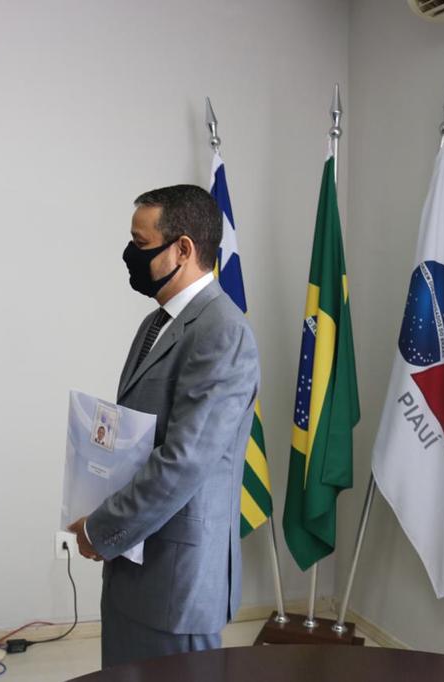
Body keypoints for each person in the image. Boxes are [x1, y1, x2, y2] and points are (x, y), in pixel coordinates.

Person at [67, 184, 260, 668]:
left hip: (176, 580)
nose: (130, 255)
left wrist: (101, 528)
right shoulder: (156, 323)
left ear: (183, 249)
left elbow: (183, 461)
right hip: (134, 564)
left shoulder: (223, 331)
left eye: (141, 243)